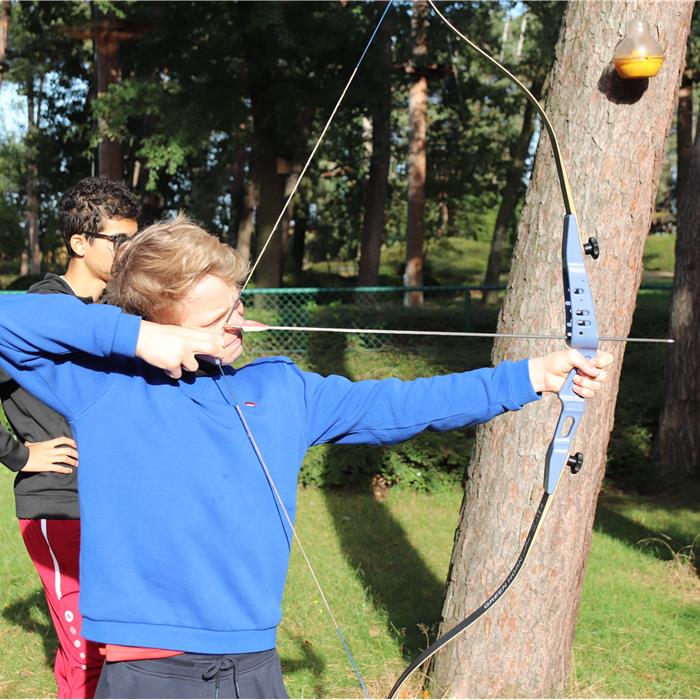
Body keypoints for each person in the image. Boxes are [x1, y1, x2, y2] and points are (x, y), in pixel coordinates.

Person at [0, 215, 612, 699]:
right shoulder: (107, 384)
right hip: (150, 674)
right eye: (216, 318)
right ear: (163, 324)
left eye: (237, 302)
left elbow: (402, 404)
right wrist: (134, 340)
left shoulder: (278, 389)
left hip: (254, 665)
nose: (238, 321)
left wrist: (531, 376)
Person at [0, 177, 140, 699]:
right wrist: (20, 453)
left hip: (119, 505)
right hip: (59, 507)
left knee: (119, 650)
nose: (130, 251)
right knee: (91, 654)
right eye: (119, 241)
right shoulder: (34, 316)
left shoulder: (120, 315)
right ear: (80, 243)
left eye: (134, 239)